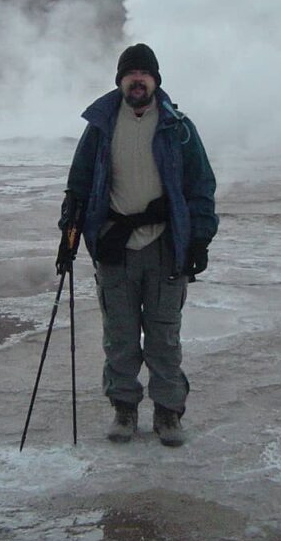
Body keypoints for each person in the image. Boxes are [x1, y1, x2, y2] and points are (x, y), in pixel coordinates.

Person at [59, 43, 218, 447]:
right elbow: (78, 186)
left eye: (144, 75)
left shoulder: (178, 127)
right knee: (120, 335)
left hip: (165, 245)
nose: (138, 81)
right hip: (114, 246)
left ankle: (168, 413)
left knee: (164, 337)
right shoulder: (100, 126)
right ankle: (124, 409)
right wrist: (69, 234)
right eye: (131, 75)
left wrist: (199, 239)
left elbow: (201, 187)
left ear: (155, 80)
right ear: (120, 80)